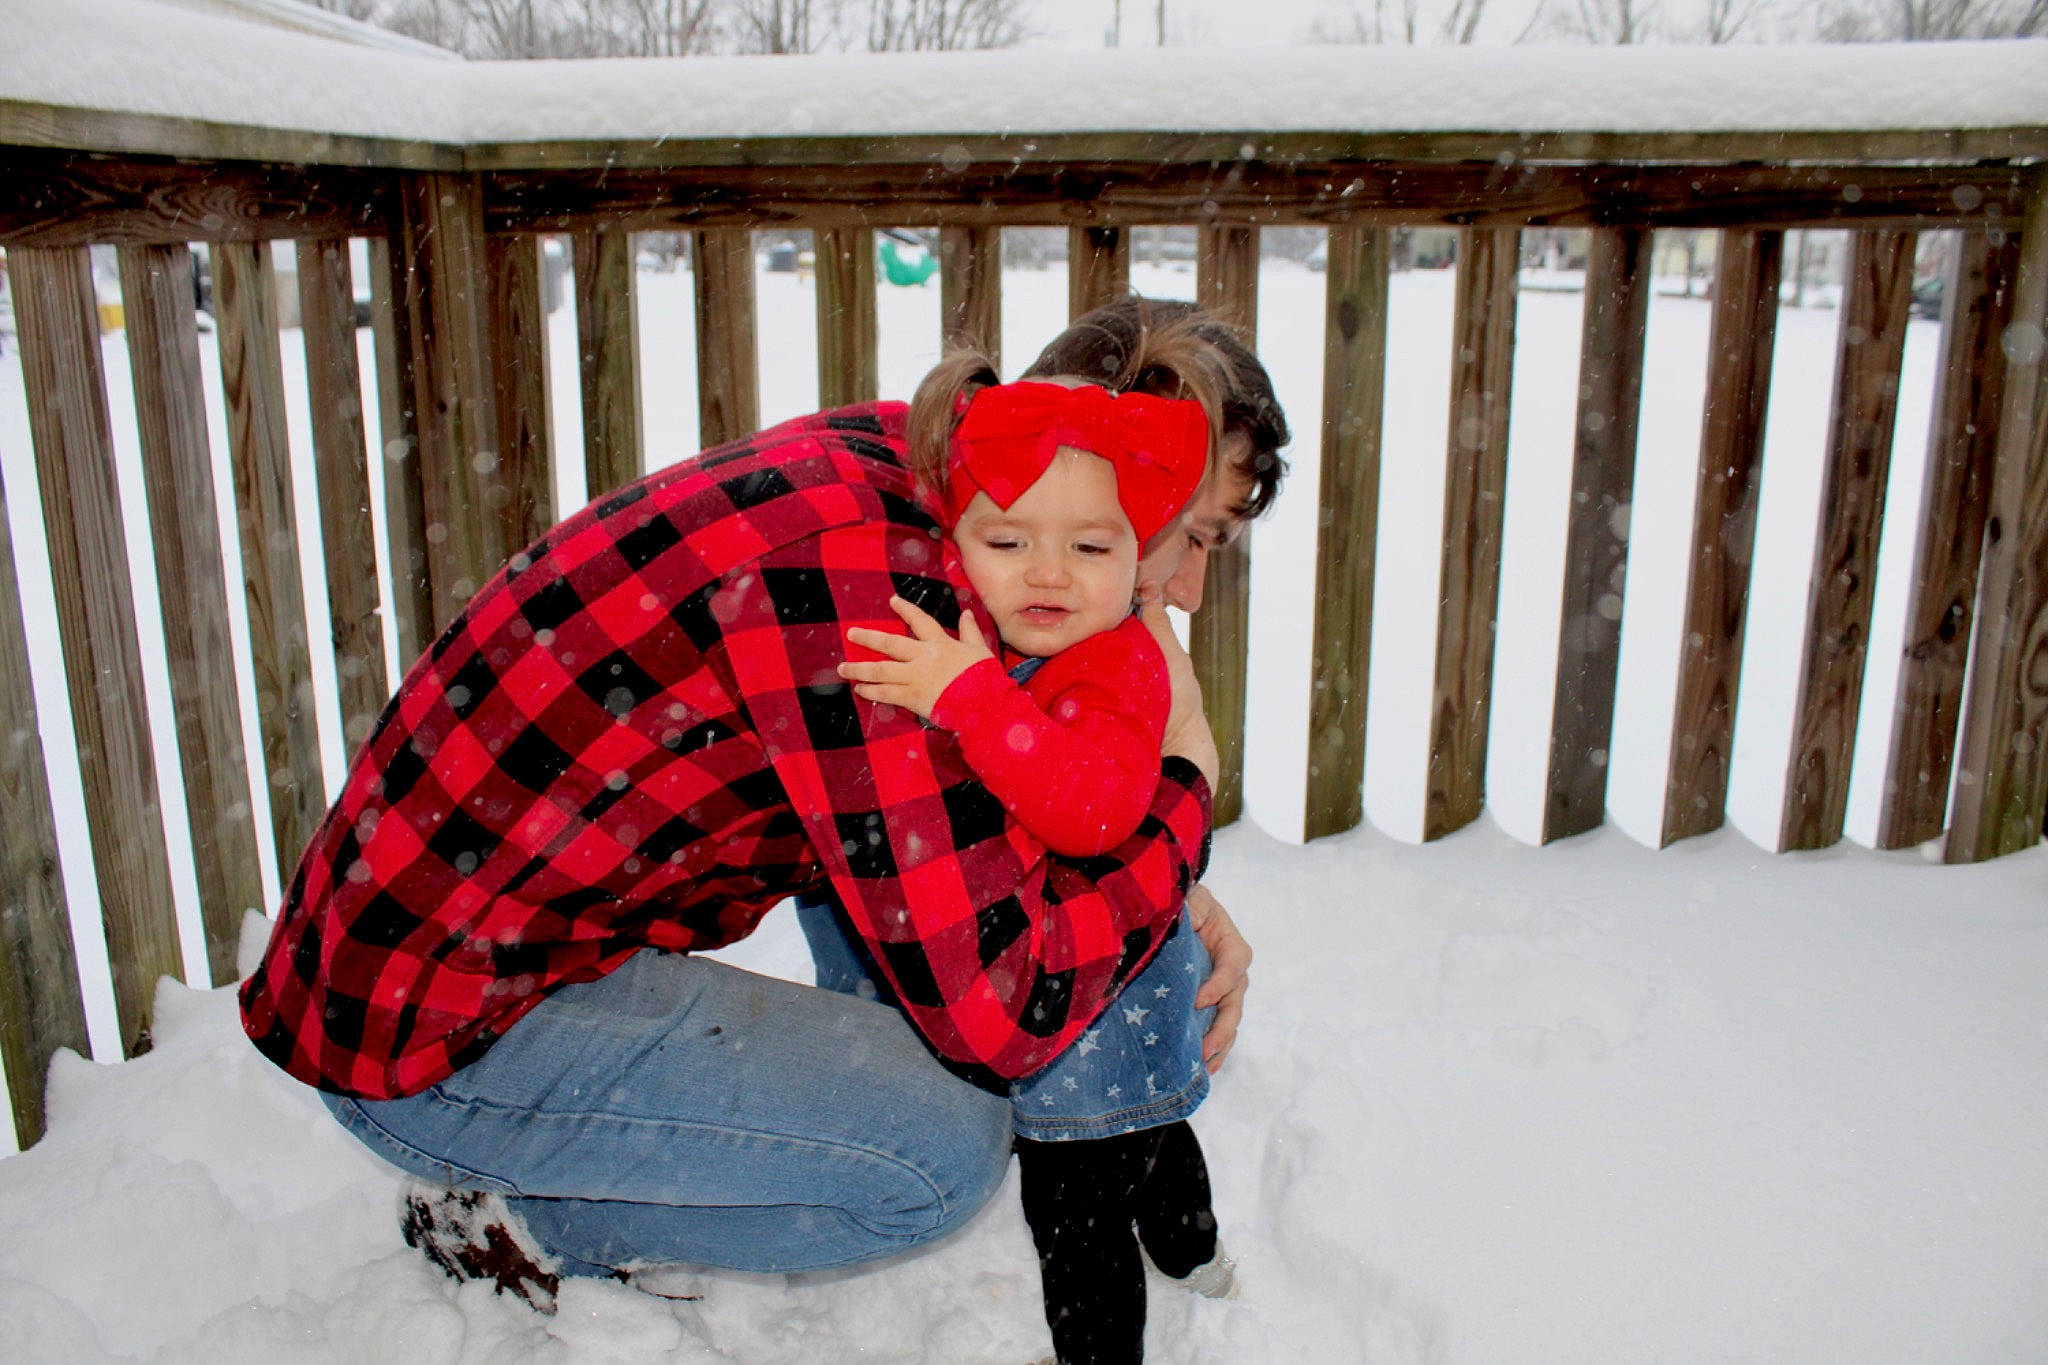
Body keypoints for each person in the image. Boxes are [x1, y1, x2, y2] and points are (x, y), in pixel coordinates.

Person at [236, 296, 1288, 1312]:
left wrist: (1158, 885)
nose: (1189, 589)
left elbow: (1005, 806)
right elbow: (1005, 1015)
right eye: (1189, 535)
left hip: (473, 951)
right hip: (443, 1033)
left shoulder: (941, 488)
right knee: (935, 1153)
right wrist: (1181, 791)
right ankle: (531, 1220)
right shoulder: (885, 613)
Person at [815, 356, 1237, 1365]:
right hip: (1059, 964)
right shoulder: (997, 632)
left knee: (1090, 1193)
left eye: (1088, 547)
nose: (1046, 574)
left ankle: (1183, 1264)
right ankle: (1192, 1243)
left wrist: (967, 697)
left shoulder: (1113, 663)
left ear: (1140, 557)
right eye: (1007, 541)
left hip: (1107, 993)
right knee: (1154, 1130)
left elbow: (1088, 809)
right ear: (952, 543)